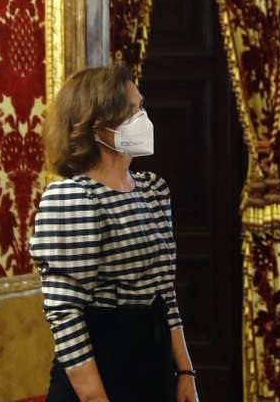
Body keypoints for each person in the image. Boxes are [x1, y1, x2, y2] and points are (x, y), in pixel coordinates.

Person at [31, 65, 199, 402]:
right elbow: (65, 315)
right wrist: (96, 398)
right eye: (134, 111)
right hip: (101, 365)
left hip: (153, 362)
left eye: (142, 107)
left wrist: (185, 373)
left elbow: (165, 293)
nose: (144, 118)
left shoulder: (152, 190)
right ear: (98, 124)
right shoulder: (72, 198)